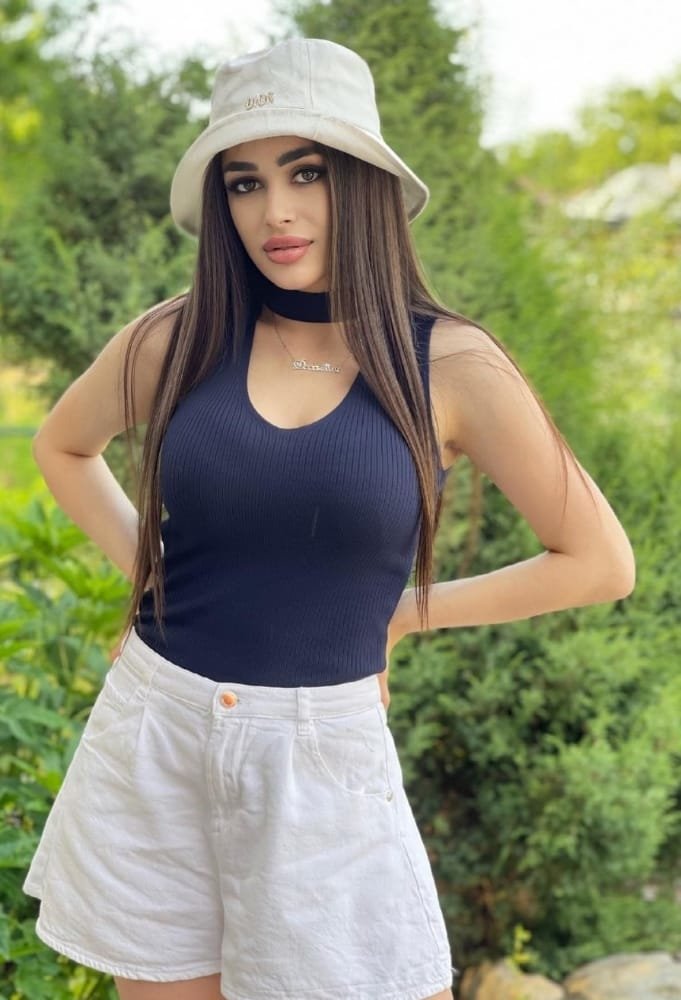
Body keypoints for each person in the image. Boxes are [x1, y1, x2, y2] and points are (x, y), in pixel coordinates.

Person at [22, 36, 635, 1000]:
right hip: (157, 728)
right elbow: (62, 446)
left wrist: (406, 614)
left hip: (320, 755)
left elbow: (597, 561)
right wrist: (149, 579)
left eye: (306, 171)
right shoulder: (178, 335)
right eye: (245, 182)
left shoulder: (452, 364)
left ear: (364, 183)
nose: (275, 210)